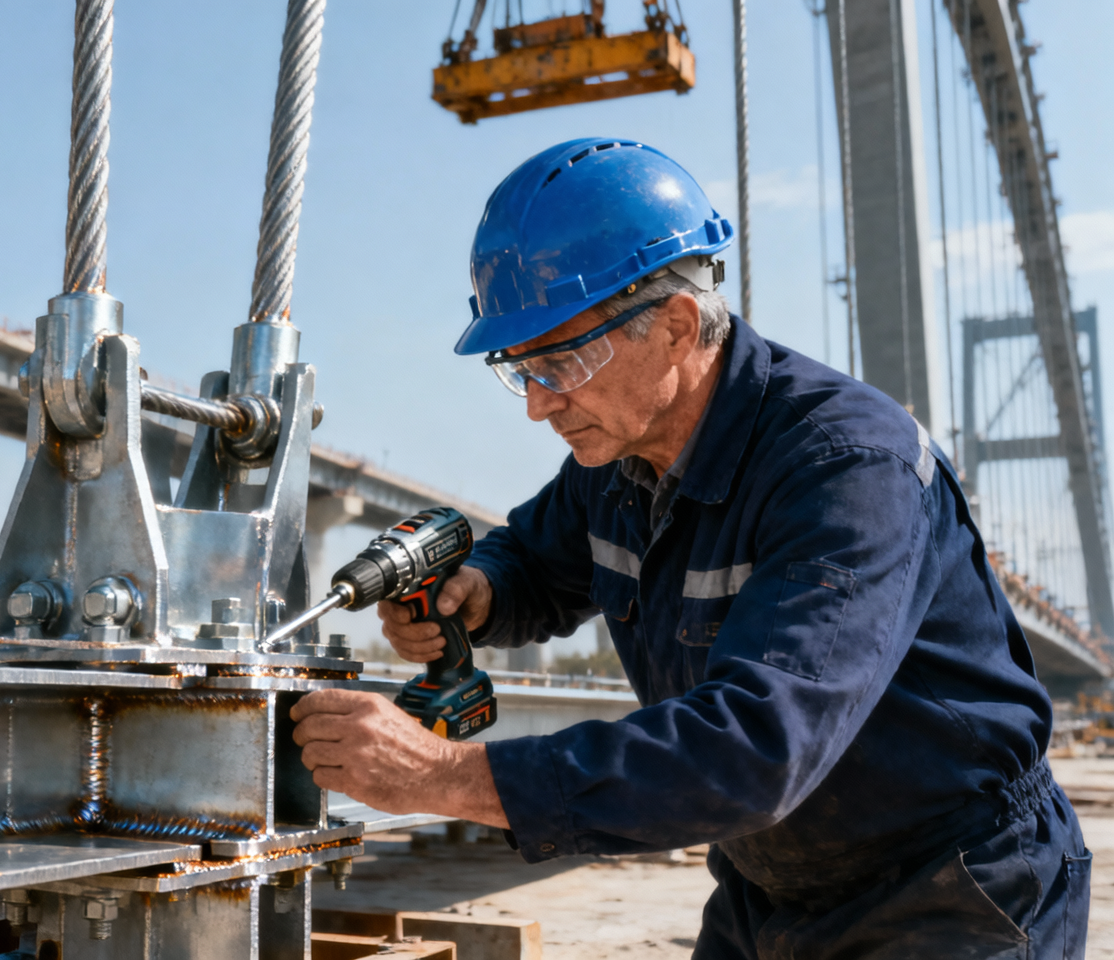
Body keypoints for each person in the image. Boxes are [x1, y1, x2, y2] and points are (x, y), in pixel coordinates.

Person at [291, 138, 1091, 958]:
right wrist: (482, 591)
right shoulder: (616, 458)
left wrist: (445, 777)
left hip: (949, 888)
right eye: (518, 366)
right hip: (768, 887)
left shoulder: (846, 469)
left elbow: (756, 747)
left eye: (563, 359)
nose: (538, 406)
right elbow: (534, 557)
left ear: (675, 326)